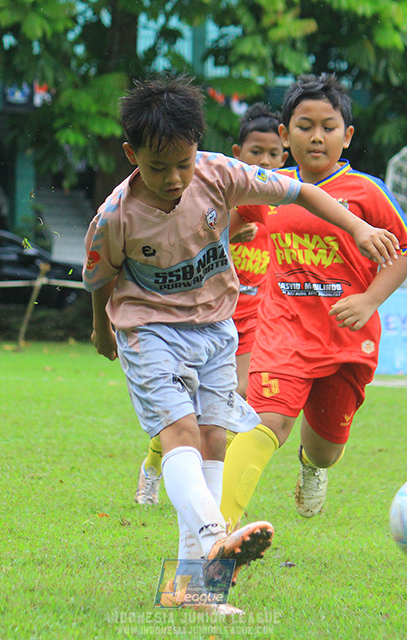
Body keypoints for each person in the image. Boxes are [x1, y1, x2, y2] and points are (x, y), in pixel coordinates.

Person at [84, 74, 399, 601]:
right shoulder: (115, 215)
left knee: (214, 439)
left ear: (198, 150)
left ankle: (194, 587)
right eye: (157, 167)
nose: (173, 178)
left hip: (213, 327)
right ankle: (214, 536)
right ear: (130, 153)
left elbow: (300, 190)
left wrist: (360, 230)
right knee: (179, 433)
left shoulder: (218, 174)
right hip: (147, 329)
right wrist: (101, 327)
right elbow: (98, 277)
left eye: (183, 164)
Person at [219, 73, 407, 529]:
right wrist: (220, 247)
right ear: (286, 137)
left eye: (328, 126)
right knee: (265, 420)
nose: (317, 136)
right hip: (283, 327)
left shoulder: (367, 192)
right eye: (305, 126)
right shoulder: (269, 185)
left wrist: (369, 300)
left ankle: (313, 465)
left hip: (346, 337)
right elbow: (228, 223)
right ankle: (215, 532)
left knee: (327, 449)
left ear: (346, 136)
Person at [132, 102, 287, 506]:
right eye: (256, 153)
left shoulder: (282, 205)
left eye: (273, 154)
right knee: (182, 403)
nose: (265, 160)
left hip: (252, 320)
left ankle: (206, 494)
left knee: (230, 399)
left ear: (284, 155)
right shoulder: (231, 199)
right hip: (200, 316)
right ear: (238, 154)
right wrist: (231, 238)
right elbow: (201, 245)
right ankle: (154, 463)